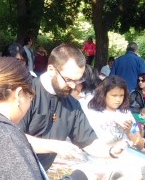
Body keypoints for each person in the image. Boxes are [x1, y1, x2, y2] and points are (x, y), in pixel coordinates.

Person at [19, 43, 125, 171]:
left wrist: (111, 151)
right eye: (68, 79)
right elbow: (12, 138)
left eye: (78, 80)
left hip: (40, 174)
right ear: (51, 70)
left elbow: (88, 141)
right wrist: (55, 146)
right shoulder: (25, 93)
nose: (74, 86)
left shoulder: (72, 104)